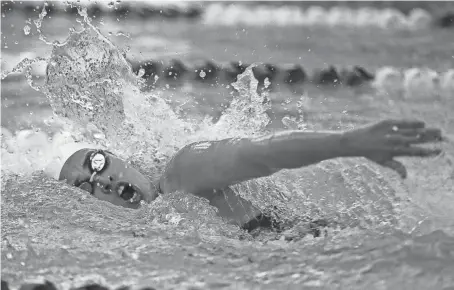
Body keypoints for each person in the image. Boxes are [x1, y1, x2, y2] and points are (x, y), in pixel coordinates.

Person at [56, 119, 444, 230]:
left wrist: (347, 143)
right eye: (86, 189)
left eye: (96, 164)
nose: (101, 182)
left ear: (118, 158)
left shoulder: (183, 172)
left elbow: (261, 153)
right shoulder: (148, 233)